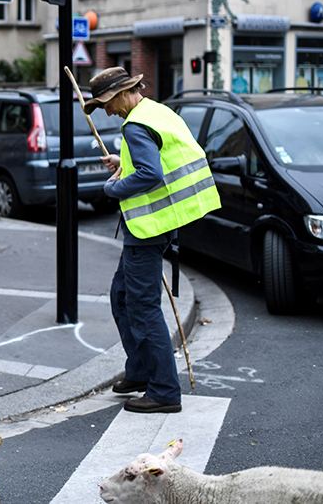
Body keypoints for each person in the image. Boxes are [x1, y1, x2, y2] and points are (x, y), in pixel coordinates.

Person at [83, 67, 221, 414]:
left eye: (106, 104)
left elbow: (150, 173)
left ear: (121, 93)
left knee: (141, 306)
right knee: (122, 296)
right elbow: (157, 160)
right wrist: (122, 162)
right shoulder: (156, 112)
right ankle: (141, 370)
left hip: (148, 226)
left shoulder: (135, 125)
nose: (107, 112)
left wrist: (112, 186)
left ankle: (163, 390)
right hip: (161, 221)